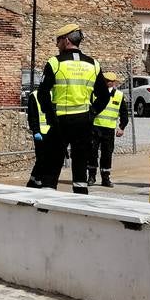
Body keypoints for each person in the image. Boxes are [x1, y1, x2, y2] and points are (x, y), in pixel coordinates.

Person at [36, 23, 109, 194]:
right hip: (84, 121)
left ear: (66, 41)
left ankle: (46, 204)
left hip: (59, 120)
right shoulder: (93, 64)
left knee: (52, 165)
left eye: (58, 41)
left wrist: (49, 114)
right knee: (80, 167)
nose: (57, 44)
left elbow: (42, 94)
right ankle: (81, 203)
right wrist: (92, 113)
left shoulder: (55, 63)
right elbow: (105, 96)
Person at [88, 71, 128, 187]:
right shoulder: (94, 93)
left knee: (107, 154)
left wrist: (122, 127)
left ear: (114, 82)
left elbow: (124, 113)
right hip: (95, 127)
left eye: (110, 81)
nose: (108, 83)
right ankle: (91, 176)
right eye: (106, 81)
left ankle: (105, 178)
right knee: (92, 152)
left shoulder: (119, 96)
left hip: (109, 129)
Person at [25, 89, 50, 188]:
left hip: (52, 132)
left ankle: (33, 179)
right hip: (41, 132)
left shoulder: (55, 93)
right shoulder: (34, 95)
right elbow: (32, 115)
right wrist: (35, 131)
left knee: (48, 158)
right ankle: (38, 179)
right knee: (41, 158)